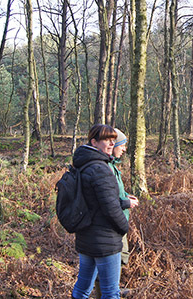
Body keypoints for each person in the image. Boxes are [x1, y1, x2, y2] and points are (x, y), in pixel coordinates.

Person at [71, 124, 128, 299]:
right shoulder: (100, 169)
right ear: (94, 142)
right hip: (105, 239)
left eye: (113, 140)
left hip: (86, 236)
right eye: (106, 140)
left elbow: (97, 200)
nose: (111, 144)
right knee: (111, 292)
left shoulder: (83, 163)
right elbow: (110, 208)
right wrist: (123, 227)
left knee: (82, 287)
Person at [110, 128, 139, 265]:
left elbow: (115, 191)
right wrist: (126, 203)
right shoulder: (105, 168)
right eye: (121, 145)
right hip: (112, 225)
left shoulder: (112, 165)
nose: (124, 149)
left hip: (117, 222)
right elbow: (107, 199)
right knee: (116, 260)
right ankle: (111, 287)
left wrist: (126, 196)